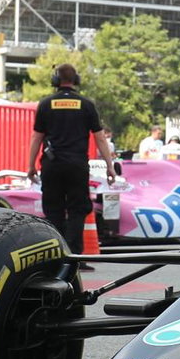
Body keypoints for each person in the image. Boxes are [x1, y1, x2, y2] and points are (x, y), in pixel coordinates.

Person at [26, 63, 115, 254]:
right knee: (77, 209)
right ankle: (74, 255)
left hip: (52, 165)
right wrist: (110, 166)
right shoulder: (87, 105)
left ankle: (56, 254)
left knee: (53, 209)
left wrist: (31, 165)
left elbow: (36, 137)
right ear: (76, 80)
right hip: (77, 166)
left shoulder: (45, 104)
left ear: (56, 80)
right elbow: (100, 138)